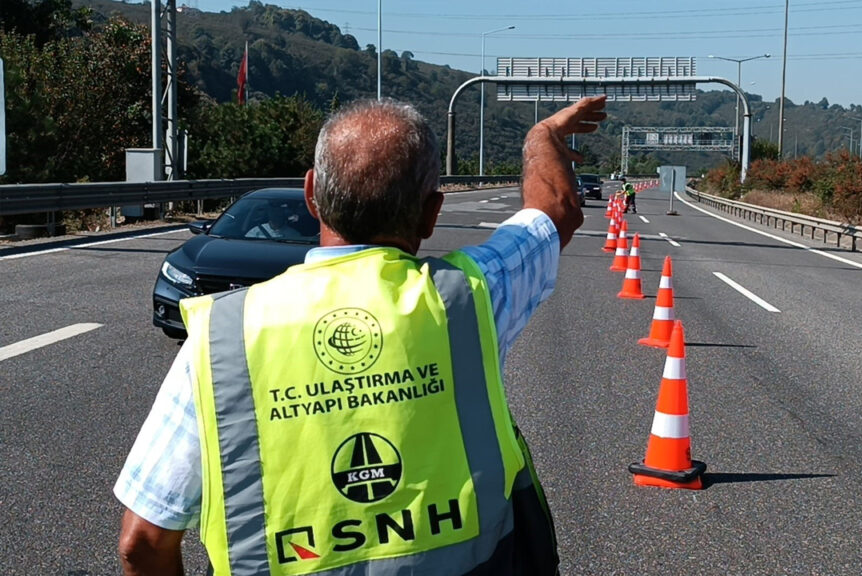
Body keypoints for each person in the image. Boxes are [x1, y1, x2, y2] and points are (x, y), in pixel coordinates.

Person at [115, 94, 607, 575]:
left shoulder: (222, 338)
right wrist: (541, 136)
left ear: (312, 194)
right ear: (432, 212)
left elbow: (143, 542)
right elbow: (555, 209)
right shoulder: (470, 296)